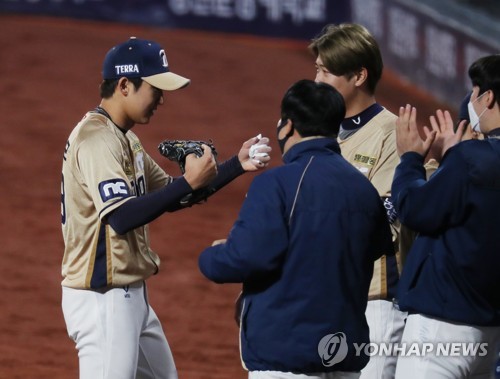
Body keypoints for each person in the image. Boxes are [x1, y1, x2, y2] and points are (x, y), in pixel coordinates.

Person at [60, 36, 271, 379]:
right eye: (155, 88)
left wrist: (236, 165)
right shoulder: (97, 140)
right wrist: (189, 182)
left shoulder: (125, 138)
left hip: (131, 297)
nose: (161, 98)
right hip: (103, 299)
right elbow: (121, 216)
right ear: (125, 85)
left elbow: (175, 194)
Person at [198, 79, 394, 379]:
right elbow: (378, 245)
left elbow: (247, 257)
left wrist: (212, 255)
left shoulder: (276, 183)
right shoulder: (362, 188)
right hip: (343, 358)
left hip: (286, 355)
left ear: (287, 127)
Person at [392, 54, 500, 378]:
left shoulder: (470, 160)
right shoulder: (470, 160)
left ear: (488, 97)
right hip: (491, 331)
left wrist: (411, 159)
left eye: (475, 90)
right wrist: (454, 160)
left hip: (442, 328)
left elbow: (415, 209)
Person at [308, 23, 406, 378]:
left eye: (325, 71)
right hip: (324, 295)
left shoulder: (391, 134)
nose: (316, 80)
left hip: (374, 301)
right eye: (316, 69)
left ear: (359, 75)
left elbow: (382, 220)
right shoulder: (319, 132)